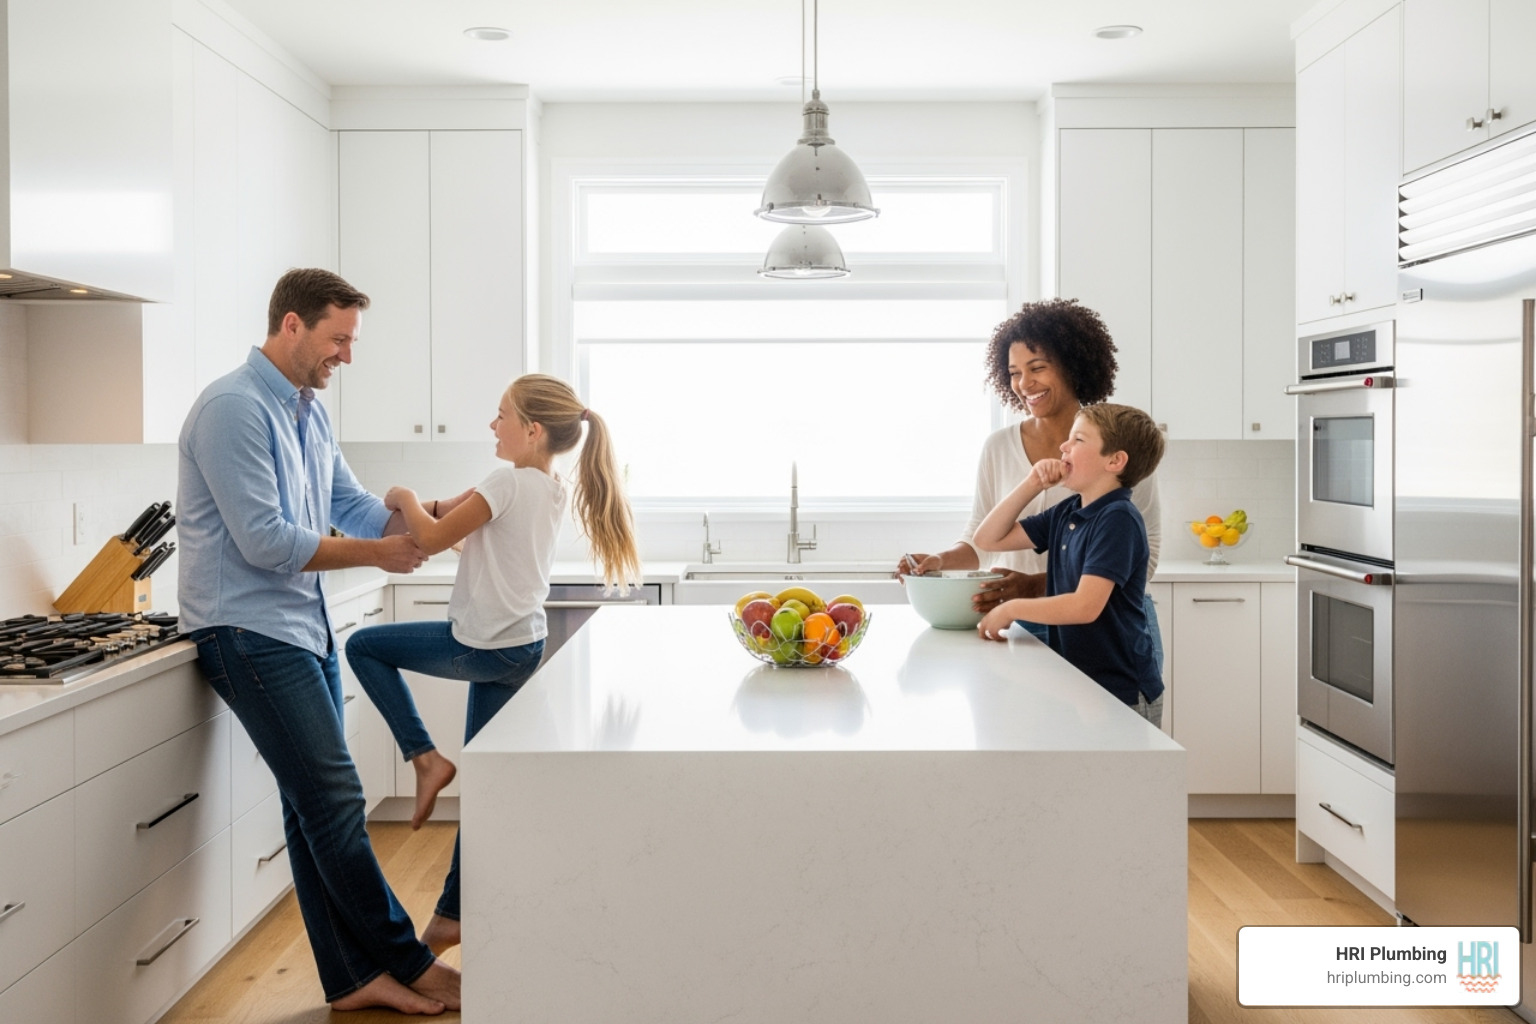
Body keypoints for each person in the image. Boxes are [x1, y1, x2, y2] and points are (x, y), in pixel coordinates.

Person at [178, 268, 464, 1015]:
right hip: (244, 629)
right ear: (292, 326)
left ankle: (350, 979)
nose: (347, 356)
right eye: (338, 340)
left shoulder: (307, 410)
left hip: (300, 627)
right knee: (336, 798)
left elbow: (354, 506)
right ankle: (407, 960)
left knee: (311, 807)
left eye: (352, 341)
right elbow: (268, 542)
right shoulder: (233, 409)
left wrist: (435, 515)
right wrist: (383, 553)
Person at [345, 373, 641, 955]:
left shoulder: (506, 481)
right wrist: (447, 523)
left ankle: (425, 759)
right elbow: (480, 543)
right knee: (486, 784)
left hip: (480, 646)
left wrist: (404, 496)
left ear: (531, 430)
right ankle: (454, 914)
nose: (492, 423)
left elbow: (426, 540)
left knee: (363, 647)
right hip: (520, 649)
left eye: (501, 414)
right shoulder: (549, 488)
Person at [897, 298, 1163, 670]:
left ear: (1073, 366)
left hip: (1106, 634)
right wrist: (942, 562)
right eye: (1014, 372)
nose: (1024, 383)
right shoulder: (1000, 448)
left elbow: (1144, 551)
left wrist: (1037, 585)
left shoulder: (1116, 446)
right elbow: (983, 535)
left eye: (1037, 368)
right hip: (1017, 623)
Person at [972, 403, 1166, 725]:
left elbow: (1084, 606)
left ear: (1115, 461)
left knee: (1120, 776)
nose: (1064, 446)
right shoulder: (1069, 511)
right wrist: (1032, 483)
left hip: (1122, 691)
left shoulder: (1118, 518)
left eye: (1078, 440)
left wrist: (1011, 608)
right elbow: (988, 538)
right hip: (1086, 685)